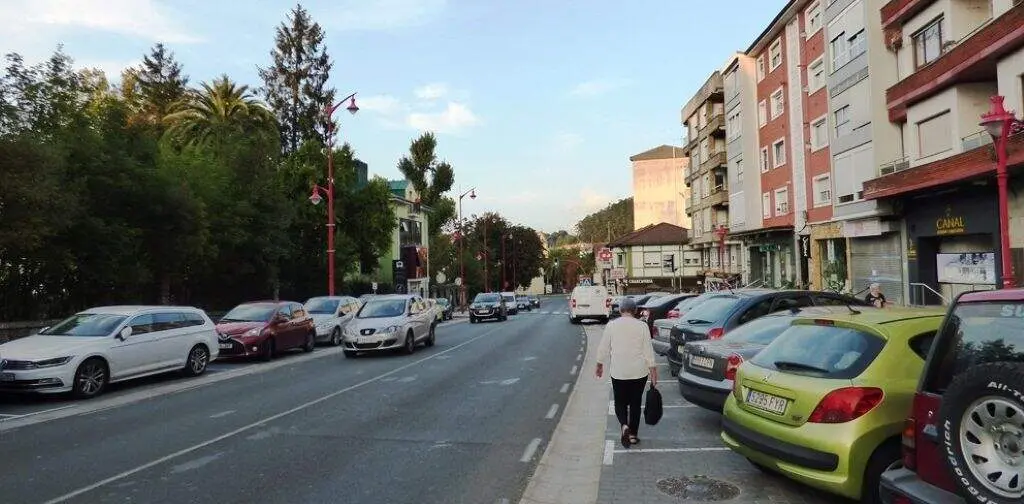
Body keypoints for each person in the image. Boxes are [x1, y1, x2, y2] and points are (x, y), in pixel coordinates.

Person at [596, 297, 658, 448]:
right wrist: (653, 371)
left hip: (619, 371)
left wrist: (599, 364)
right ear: (635, 311)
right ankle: (632, 435)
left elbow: (604, 347)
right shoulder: (642, 326)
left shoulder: (611, 326)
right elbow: (648, 351)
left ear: (620, 310)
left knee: (620, 401)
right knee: (635, 403)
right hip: (639, 372)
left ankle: (624, 425)